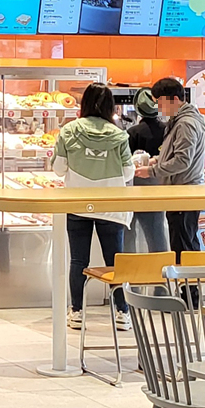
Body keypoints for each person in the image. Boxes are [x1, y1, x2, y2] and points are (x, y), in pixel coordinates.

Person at [51, 83, 134, 331]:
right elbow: (128, 172)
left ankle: (77, 311)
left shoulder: (68, 131)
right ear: (110, 106)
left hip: (78, 203)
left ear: (84, 103)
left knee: (79, 260)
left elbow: (58, 169)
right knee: (114, 260)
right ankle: (122, 312)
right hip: (110, 205)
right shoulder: (119, 135)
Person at [149, 77, 205, 254]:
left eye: (160, 103)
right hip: (182, 190)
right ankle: (189, 274)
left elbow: (183, 160)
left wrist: (153, 171)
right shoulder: (181, 120)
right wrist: (159, 160)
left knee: (183, 248)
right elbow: (178, 153)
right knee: (185, 242)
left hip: (184, 191)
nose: (159, 108)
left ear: (175, 99)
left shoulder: (185, 123)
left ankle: (188, 274)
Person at [126, 89, 170, 255]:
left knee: (128, 233)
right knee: (156, 233)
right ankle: (160, 268)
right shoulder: (167, 130)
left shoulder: (132, 132)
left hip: (133, 186)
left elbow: (126, 162)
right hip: (158, 186)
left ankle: (129, 269)